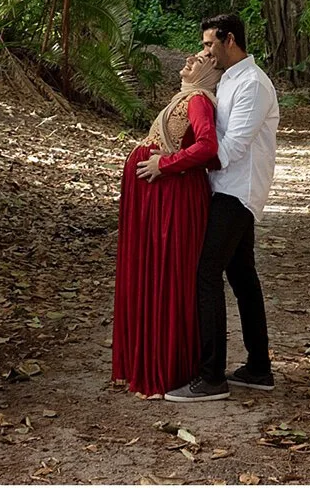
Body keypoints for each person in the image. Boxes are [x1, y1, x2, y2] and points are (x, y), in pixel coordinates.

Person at [149, 12, 278, 402]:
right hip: (224, 188)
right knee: (241, 276)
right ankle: (258, 368)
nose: (204, 51)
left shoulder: (252, 85)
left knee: (205, 272)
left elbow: (232, 147)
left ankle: (211, 377)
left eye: (209, 44)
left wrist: (173, 163)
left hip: (237, 191)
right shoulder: (229, 82)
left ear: (230, 40)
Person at [111, 53, 221, 396]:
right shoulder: (186, 97)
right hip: (157, 198)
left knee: (166, 275)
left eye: (202, 57)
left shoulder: (200, 100)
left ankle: (167, 369)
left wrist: (167, 165)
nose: (191, 58)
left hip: (172, 198)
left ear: (210, 71)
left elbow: (207, 147)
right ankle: (149, 364)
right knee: (150, 273)